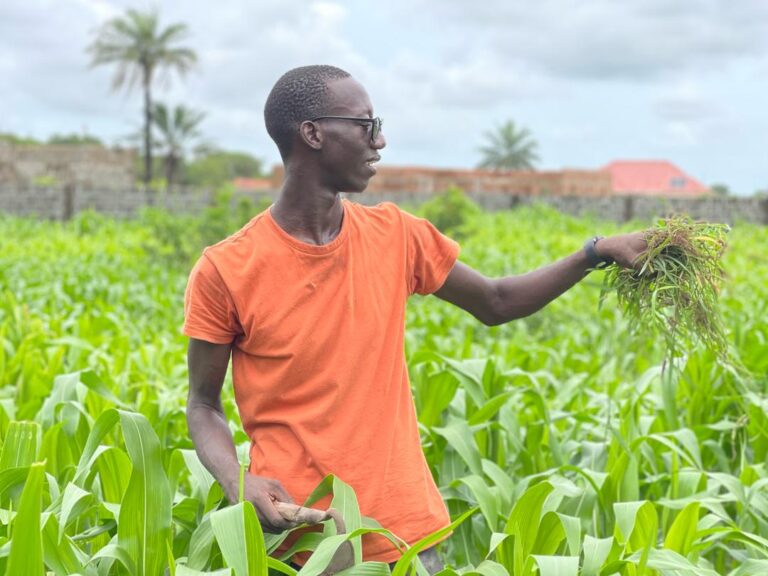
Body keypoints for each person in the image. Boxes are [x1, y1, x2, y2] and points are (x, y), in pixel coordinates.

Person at [183, 65, 646, 573]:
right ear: (312, 134)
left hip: (407, 534)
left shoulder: (396, 235)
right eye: (365, 124)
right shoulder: (226, 268)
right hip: (302, 540)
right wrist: (236, 479)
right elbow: (204, 403)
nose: (379, 140)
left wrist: (595, 253)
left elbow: (496, 301)